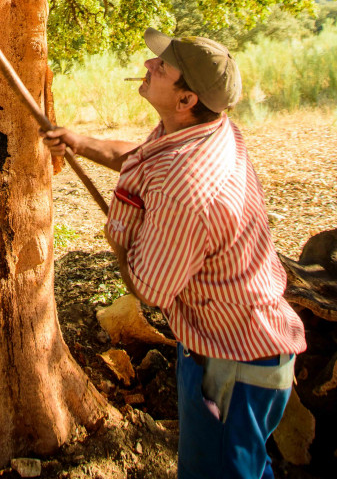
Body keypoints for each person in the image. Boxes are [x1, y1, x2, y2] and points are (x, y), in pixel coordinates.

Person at [45, 29, 306, 479]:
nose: (149, 65)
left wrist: (122, 231)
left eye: (161, 66)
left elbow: (148, 286)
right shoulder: (203, 129)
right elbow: (146, 158)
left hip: (231, 370)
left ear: (185, 99)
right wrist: (81, 142)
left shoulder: (189, 190)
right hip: (242, 349)